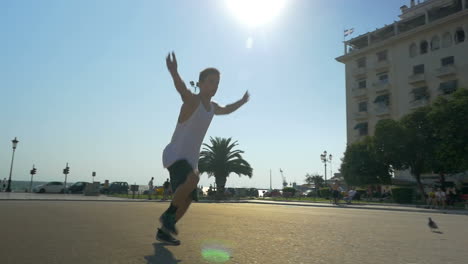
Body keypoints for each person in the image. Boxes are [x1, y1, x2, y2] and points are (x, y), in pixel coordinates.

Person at [156, 52, 249, 245]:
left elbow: (227, 109)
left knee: (189, 199)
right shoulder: (193, 101)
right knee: (194, 178)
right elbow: (182, 90)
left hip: (190, 159)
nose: (214, 86)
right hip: (176, 154)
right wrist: (174, 71)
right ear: (200, 83)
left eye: (217, 83)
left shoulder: (213, 107)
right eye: (211, 81)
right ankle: (168, 216)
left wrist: (241, 101)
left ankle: (165, 230)